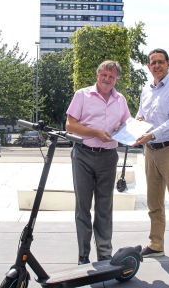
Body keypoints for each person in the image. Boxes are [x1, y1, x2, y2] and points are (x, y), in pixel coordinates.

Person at [133, 48, 169, 272]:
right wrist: (138, 123)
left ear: (168, 64)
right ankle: (156, 244)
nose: (156, 66)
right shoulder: (146, 90)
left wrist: (152, 134)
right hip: (151, 150)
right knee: (154, 203)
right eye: (152, 62)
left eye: (160, 62)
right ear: (148, 67)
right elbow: (142, 115)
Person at [66, 60, 131, 265]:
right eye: (104, 74)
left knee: (104, 207)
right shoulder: (82, 95)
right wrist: (95, 133)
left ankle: (104, 254)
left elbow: (127, 124)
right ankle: (83, 256)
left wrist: (134, 129)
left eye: (112, 76)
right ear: (97, 75)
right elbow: (70, 125)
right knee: (83, 207)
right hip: (83, 155)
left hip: (108, 157)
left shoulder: (120, 100)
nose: (107, 79)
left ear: (116, 79)